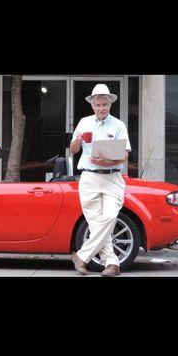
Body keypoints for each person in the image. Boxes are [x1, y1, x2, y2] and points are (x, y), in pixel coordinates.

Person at [70, 84, 132, 277]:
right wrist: (78, 141)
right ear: (92, 105)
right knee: (96, 222)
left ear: (110, 104)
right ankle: (112, 263)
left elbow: (125, 156)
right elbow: (72, 150)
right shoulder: (84, 123)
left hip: (113, 177)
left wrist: (106, 161)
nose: (101, 108)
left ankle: (81, 256)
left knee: (110, 216)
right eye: (98, 104)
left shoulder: (118, 125)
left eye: (105, 104)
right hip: (89, 177)